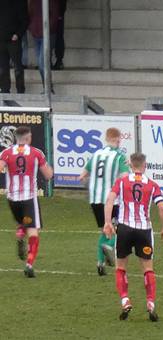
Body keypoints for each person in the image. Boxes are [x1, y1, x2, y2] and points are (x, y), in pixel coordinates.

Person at [103, 153, 163, 322]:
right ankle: (150, 303)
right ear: (145, 165)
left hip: (125, 229)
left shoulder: (122, 182)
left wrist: (107, 223)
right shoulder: (153, 185)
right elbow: (162, 208)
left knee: (121, 267)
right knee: (148, 269)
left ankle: (125, 300)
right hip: (144, 231)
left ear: (131, 165)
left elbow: (109, 201)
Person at [0, 126, 54, 278]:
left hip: (12, 199)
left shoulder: (6, 152)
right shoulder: (36, 153)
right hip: (29, 198)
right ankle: (29, 264)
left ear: (16, 138)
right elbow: (48, 175)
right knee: (33, 230)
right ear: (28, 138)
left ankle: (19, 232)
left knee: (23, 222)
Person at [78, 127, 129, 276]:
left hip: (95, 199)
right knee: (120, 229)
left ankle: (100, 264)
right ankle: (108, 246)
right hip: (111, 200)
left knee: (104, 230)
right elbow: (125, 177)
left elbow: (82, 175)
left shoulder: (95, 154)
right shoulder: (119, 156)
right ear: (117, 139)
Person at [28, 0, 59, 93]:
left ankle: (48, 87)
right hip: (36, 35)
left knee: (43, 63)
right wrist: (31, 28)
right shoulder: (33, 2)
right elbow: (29, 15)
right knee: (40, 62)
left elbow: (55, 16)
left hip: (48, 35)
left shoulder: (52, 2)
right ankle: (47, 87)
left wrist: (47, 29)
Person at [0, 0, 28, 94]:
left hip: (13, 41)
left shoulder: (19, 3)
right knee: (3, 68)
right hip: (1, 41)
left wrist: (18, 34)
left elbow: (25, 21)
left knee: (17, 67)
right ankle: (5, 90)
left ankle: (20, 90)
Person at [52, 0, 66, 70]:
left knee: (58, 37)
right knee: (57, 37)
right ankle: (58, 61)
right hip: (54, 13)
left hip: (57, 14)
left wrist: (60, 14)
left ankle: (59, 60)